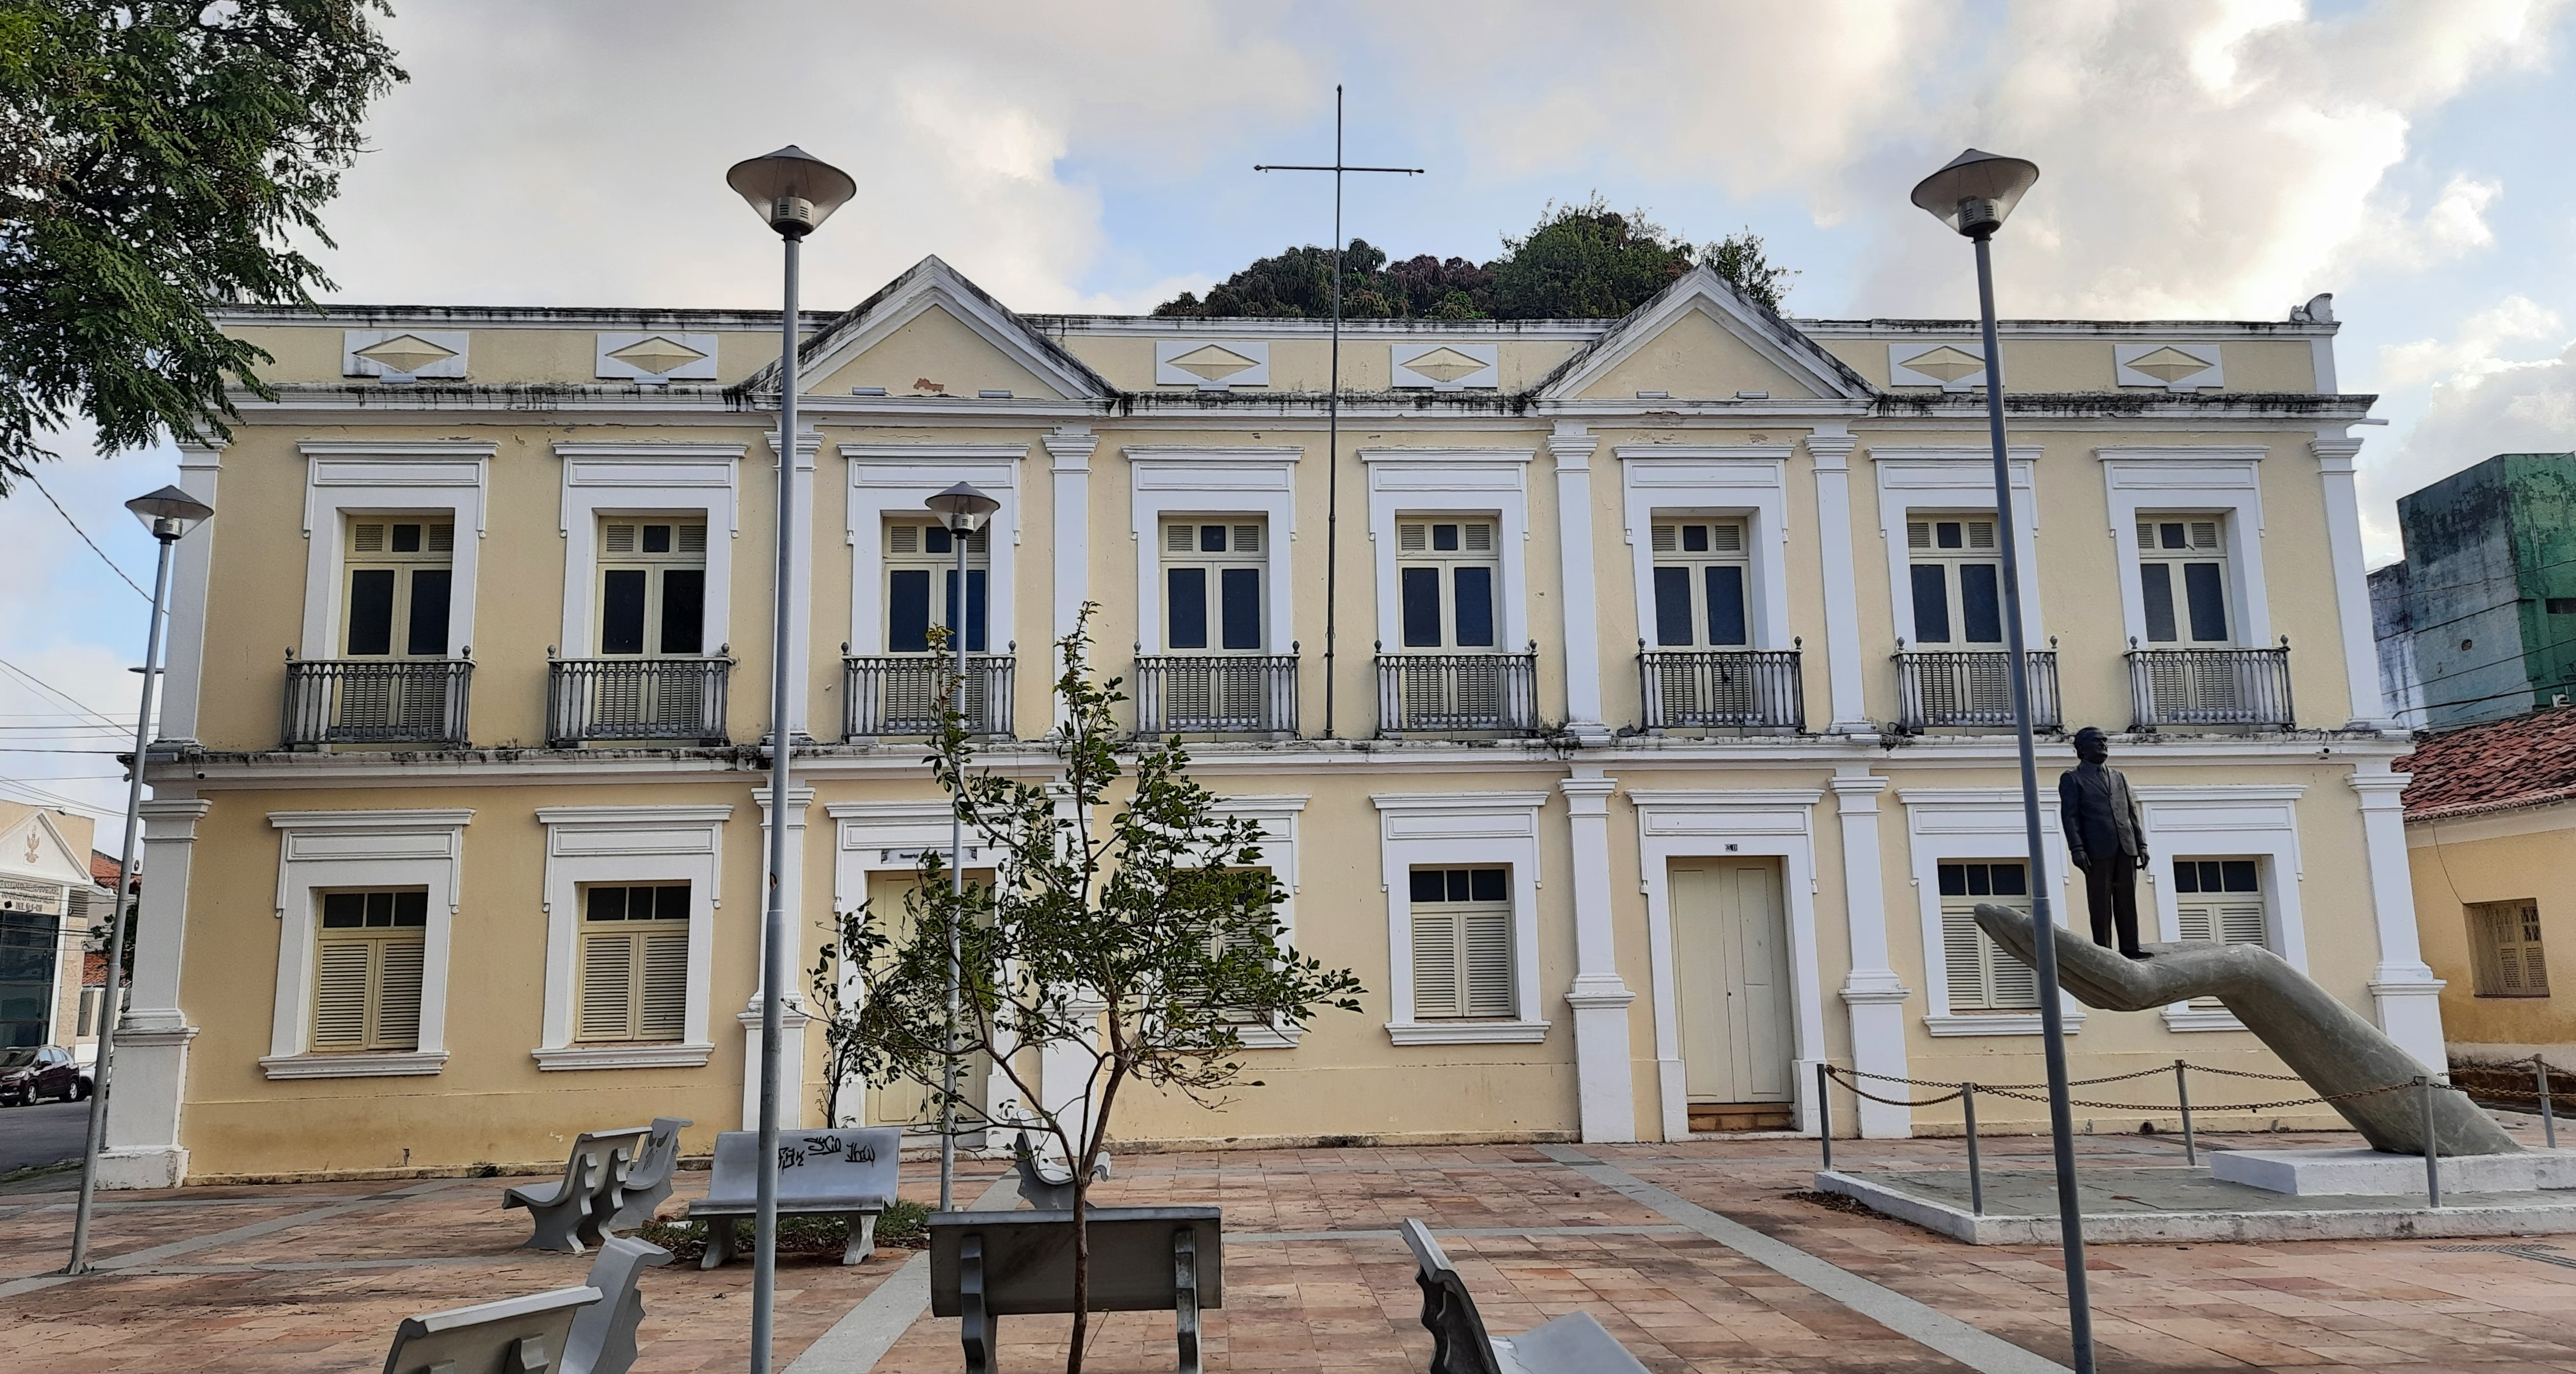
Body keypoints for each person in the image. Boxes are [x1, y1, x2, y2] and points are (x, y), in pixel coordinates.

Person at [2057, 726, 2149, 958]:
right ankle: (2104, 950)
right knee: (2100, 901)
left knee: (2127, 899)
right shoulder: (2072, 778)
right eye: (2097, 742)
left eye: (2105, 741)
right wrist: (2077, 848)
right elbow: (2070, 817)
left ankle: (2130, 946)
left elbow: (2131, 813)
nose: (2103, 745)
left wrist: (2142, 845)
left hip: (2126, 845)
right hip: (2096, 848)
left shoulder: (2119, 777)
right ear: (2081, 749)